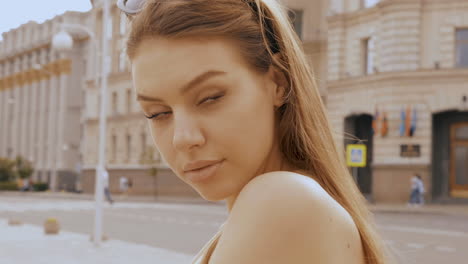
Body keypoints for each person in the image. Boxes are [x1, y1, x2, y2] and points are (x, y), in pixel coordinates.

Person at [118, 0, 391, 263]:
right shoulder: (266, 208)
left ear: (278, 83)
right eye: (158, 113)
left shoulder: (283, 200)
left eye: (211, 97)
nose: (183, 138)